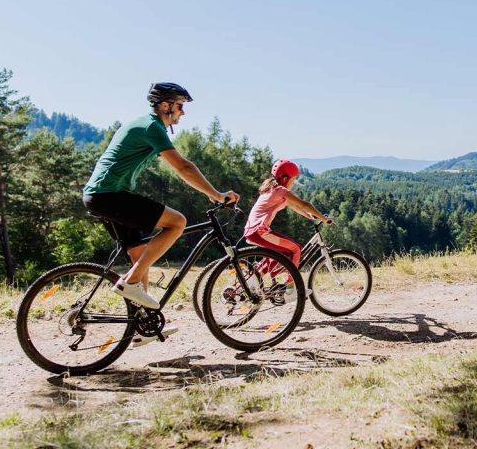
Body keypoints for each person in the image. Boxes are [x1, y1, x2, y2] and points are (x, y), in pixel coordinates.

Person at [83, 82, 239, 345]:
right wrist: (216, 194)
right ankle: (129, 283)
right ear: (165, 105)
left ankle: (142, 326)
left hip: (101, 195)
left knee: (138, 255)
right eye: (180, 105)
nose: (183, 112)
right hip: (109, 195)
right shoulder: (151, 126)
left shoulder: (145, 124)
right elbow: (183, 167)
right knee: (177, 222)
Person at [244, 159, 332, 304]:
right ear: (285, 178)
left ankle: (256, 275)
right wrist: (323, 218)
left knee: (280, 253)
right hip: (259, 231)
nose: (294, 183)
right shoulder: (281, 190)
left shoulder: (272, 189)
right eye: (293, 179)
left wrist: (310, 217)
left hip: (254, 231)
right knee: (296, 249)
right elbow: (304, 204)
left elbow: (295, 206)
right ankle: (291, 290)